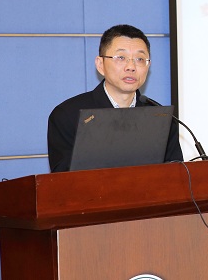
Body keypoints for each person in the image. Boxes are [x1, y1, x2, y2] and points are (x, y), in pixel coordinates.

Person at [47, 24, 183, 172]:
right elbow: (63, 180)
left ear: (148, 66)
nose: (131, 67)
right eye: (121, 57)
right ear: (100, 64)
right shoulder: (68, 115)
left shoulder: (160, 118)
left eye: (139, 59)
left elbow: (175, 176)